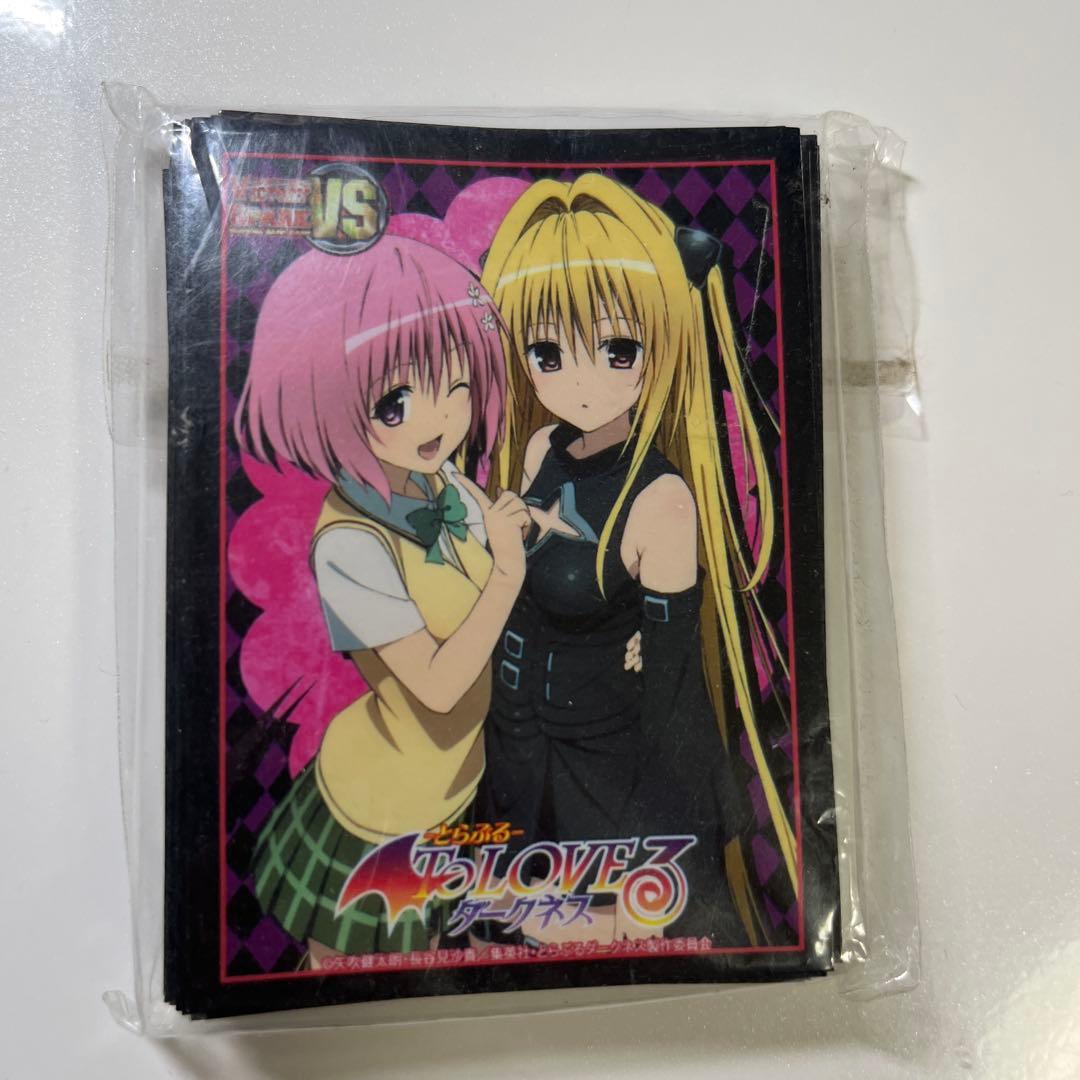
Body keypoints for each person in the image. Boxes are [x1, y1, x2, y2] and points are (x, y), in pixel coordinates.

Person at [477, 174, 797, 946]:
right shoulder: (541, 447)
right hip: (518, 746)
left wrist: (667, 830)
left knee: (599, 935)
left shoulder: (662, 500)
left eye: (618, 349)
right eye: (547, 352)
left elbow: (671, 686)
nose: (581, 382)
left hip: (610, 767)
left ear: (660, 339)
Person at [234, 237, 530, 963]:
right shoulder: (349, 544)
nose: (438, 419)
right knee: (349, 982)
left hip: (456, 791)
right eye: (396, 401)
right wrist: (505, 576)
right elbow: (436, 684)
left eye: (456, 384)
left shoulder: (443, 481)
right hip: (377, 807)